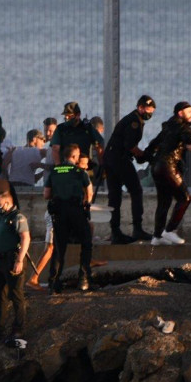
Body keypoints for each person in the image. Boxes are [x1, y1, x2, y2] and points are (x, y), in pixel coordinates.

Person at [143, 101, 191, 245]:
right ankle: (170, 230)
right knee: (185, 198)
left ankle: (157, 237)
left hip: (157, 167)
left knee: (164, 202)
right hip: (168, 166)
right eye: (189, 111)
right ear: (180, 113)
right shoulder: (182, 127)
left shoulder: (168, 126)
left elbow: (153, 144)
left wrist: (146, 158)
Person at [103, 95, 156, 243]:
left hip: (111, 158)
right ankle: (137, 229)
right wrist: (144, 155)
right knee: (136, 190)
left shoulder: (132, 119)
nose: (149, 112)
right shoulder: (134, 121)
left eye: (152, 110)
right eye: (148, 109)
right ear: (140, 107)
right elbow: (129, 145)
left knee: (115, 195)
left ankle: (115, 231)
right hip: (119, 159)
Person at [45, 144, 93, 293]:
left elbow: (46, 195)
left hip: (59, 213)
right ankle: (83, 279)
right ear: (73, 157)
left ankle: (54, 283)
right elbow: (89, 193)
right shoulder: (79, 171)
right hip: (75, 211)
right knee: (86, 242)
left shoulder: (54, 171)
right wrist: (85, 203)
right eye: (78, 155)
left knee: (59, 248)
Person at [0, 190, 30, 342]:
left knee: (17, 296)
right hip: (0, 261)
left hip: (12, 260)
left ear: (7, 203)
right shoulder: (1, 218)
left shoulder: (17, 217)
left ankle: (18, 330)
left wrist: (19, 260)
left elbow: (25, 238)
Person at [49, 102, 105, 181]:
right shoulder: (86, 128)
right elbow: (99, 147)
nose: (67, 118)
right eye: (66, 116)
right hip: (80, 169)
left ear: (78, 115)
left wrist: (59, 169)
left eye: (69, 115)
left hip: (70, 169)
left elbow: (99, 146)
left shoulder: (61, 129)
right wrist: (102, 166)